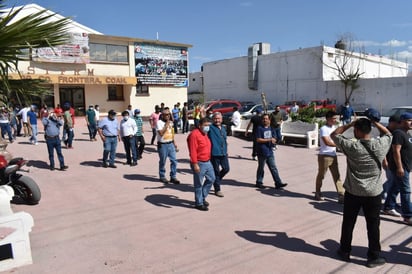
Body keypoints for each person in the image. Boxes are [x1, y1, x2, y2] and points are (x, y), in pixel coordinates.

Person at [331, 117, 392, 268]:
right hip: (373, 193)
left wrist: (350, 124)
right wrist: (375, 122)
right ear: (370, 129)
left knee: (348, 223)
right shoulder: (380, 145)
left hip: (353, 192)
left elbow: (334, 135)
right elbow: (389, 134)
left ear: (357, 130)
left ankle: (344, 251)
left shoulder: (352, 147)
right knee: (373, 224)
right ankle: (373, 257)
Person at [382, 112, 412, 225]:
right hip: (400, 168)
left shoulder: (407, 133)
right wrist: (400, 167)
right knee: (406, 191)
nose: (411, 122)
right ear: (402, 121)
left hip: (406, 167)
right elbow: (396, 151)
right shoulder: (398, 133)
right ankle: (408, 216)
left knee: (395, 187)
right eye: (409, 120)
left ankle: (388, 207)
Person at [314, 111, 345, 203]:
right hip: (324, 156)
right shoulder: (324, 128)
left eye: (336, 118)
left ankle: (341, 195)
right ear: (328, 119)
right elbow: (327, 141)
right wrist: (338, 146)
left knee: (337, 176)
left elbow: (338, 137)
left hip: (333, 155)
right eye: (333, 118)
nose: (335, 120)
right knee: (321, 175)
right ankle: (318, 192)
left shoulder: (334, 128)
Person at [187, 117, 215, 211]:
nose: (207, 127)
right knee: (198, 184)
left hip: (207, 161)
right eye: (205, 125)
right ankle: (199, 203)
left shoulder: (205, 134)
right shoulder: (194, 135)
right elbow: (193, 150)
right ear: (200, 125)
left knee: (211, 178)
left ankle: (202, 197)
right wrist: (195, 164)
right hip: (199, 162)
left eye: (208, 125)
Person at [255, 113, 287, 189]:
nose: (265, 120)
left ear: (269, 120)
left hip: (270, 152)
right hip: (261, 152)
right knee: (261, 168)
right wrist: (269, 139)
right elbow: (258, 139)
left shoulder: (271, 128)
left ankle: (278, 183)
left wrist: (274, 140)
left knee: (273, 168)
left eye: (266, 119)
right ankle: (259, 182)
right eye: (263, 119)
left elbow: (274, 137)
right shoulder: (259, 128)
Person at [208, 112, 229, 197]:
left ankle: (216, 180)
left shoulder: (223, 128)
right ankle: (217, 189)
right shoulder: (210, 128)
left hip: (223, 153)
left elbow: (224, 140)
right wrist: (202, 113)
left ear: (221, 119)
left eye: (219, 118)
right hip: (214, 153)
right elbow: (201, 124)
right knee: (216, 171)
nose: (217, 120)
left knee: (226, 169)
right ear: (213, 119)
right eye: (215, 118)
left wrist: (226, 150)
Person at [156, 108, 180, 184]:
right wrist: (166, 125)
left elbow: (172, 134)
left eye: (169, 114)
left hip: (170, 144)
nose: (168, 116)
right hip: (163, 145)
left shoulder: (171, 123)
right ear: (162, 115)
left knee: (174, 161)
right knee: (163, 161)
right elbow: (161, 133)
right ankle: (162, 176)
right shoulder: (159, 123)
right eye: (166, 114)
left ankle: (173, 176)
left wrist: (174, 143)